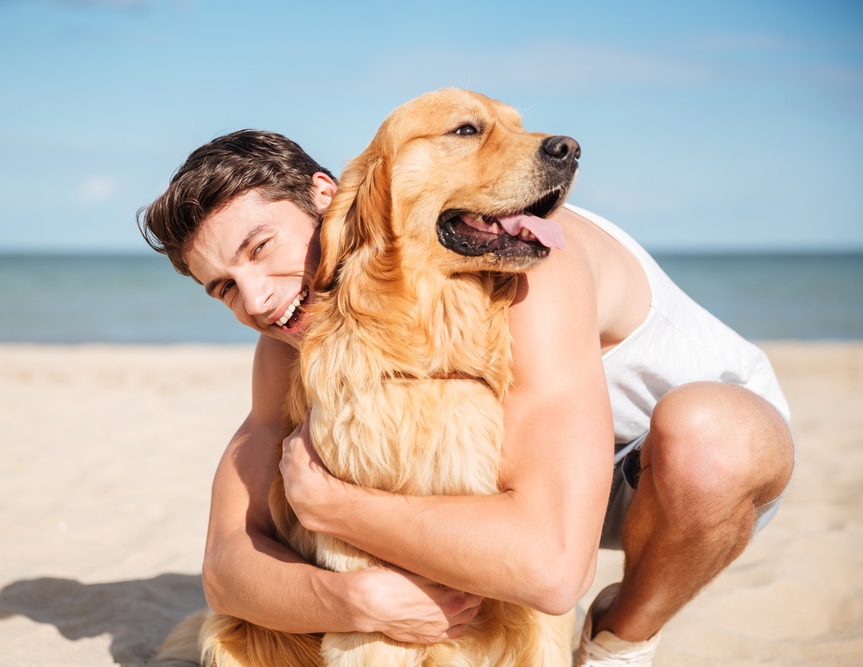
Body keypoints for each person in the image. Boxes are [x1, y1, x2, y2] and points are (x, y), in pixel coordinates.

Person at [137, 128, 795, 666]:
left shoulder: (505, 257)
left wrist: (337, 504)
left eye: (262, 248)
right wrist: (354, 599)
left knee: (709, 442)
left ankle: (620, 639)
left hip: (670, 471)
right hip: (528, 482)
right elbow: (224, 564)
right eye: (223, 288)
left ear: (325, 194)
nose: (256, 299)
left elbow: (553, 568)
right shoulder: (292, 333)